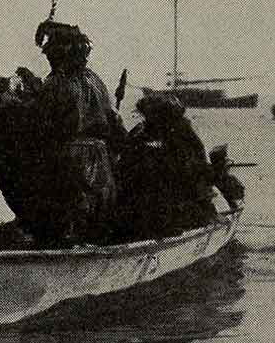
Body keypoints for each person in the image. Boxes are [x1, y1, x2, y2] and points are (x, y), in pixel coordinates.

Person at [25, 18, 128, 243]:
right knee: (95, 217)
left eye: (50, 53)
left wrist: (33, 95)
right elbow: (113, 123)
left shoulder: (56, 83)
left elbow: (40, 124)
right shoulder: (96, 80)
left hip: (71, 160)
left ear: (58, 54)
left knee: (65, 217)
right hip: (101, 160)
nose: (48, 58)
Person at [116, 93, 221, 239]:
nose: (148, 121)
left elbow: (192, 172)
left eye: (152, 116)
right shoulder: (142, 133)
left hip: (178, 202)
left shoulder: (182, 136)